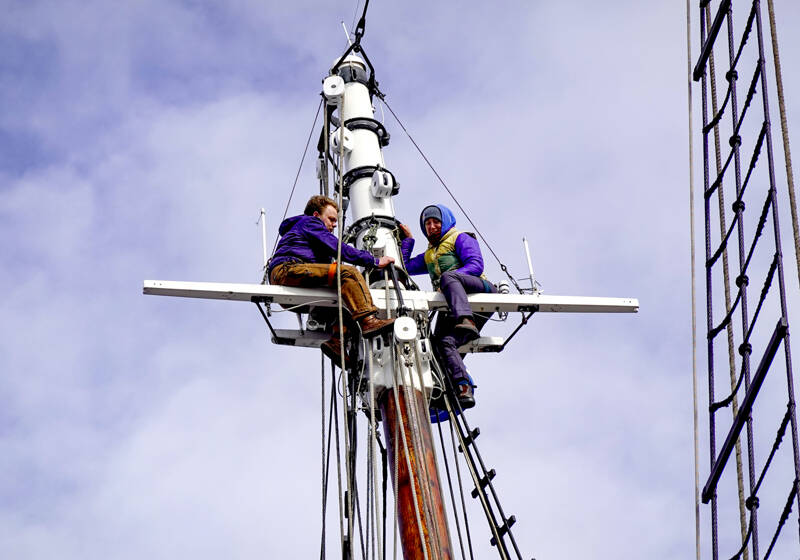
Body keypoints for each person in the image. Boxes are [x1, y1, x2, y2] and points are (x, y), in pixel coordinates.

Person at [268, 195, 395, 366]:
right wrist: (374, 261)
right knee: (348, 274)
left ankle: (337, 343)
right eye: (331, 219)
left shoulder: (307, 235)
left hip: (291, 287)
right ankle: (369, 321)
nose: (334, 225)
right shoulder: (310, 223)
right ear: (316, 215)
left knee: (346, 306)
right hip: (289, 270)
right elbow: (338, 248)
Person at [399, 204, 497, 409]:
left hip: (480, 292)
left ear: (445, 222)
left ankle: (466, 319)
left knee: (449, 276)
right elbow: (404, 267)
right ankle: (460, 387)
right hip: (452, 304)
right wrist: (408, 241)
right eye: (428, 223)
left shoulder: (460, 238)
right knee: (440, 343)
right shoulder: (429, 255)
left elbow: (476, 265)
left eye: (436, 222)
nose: (432, 227)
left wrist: (449, 281)